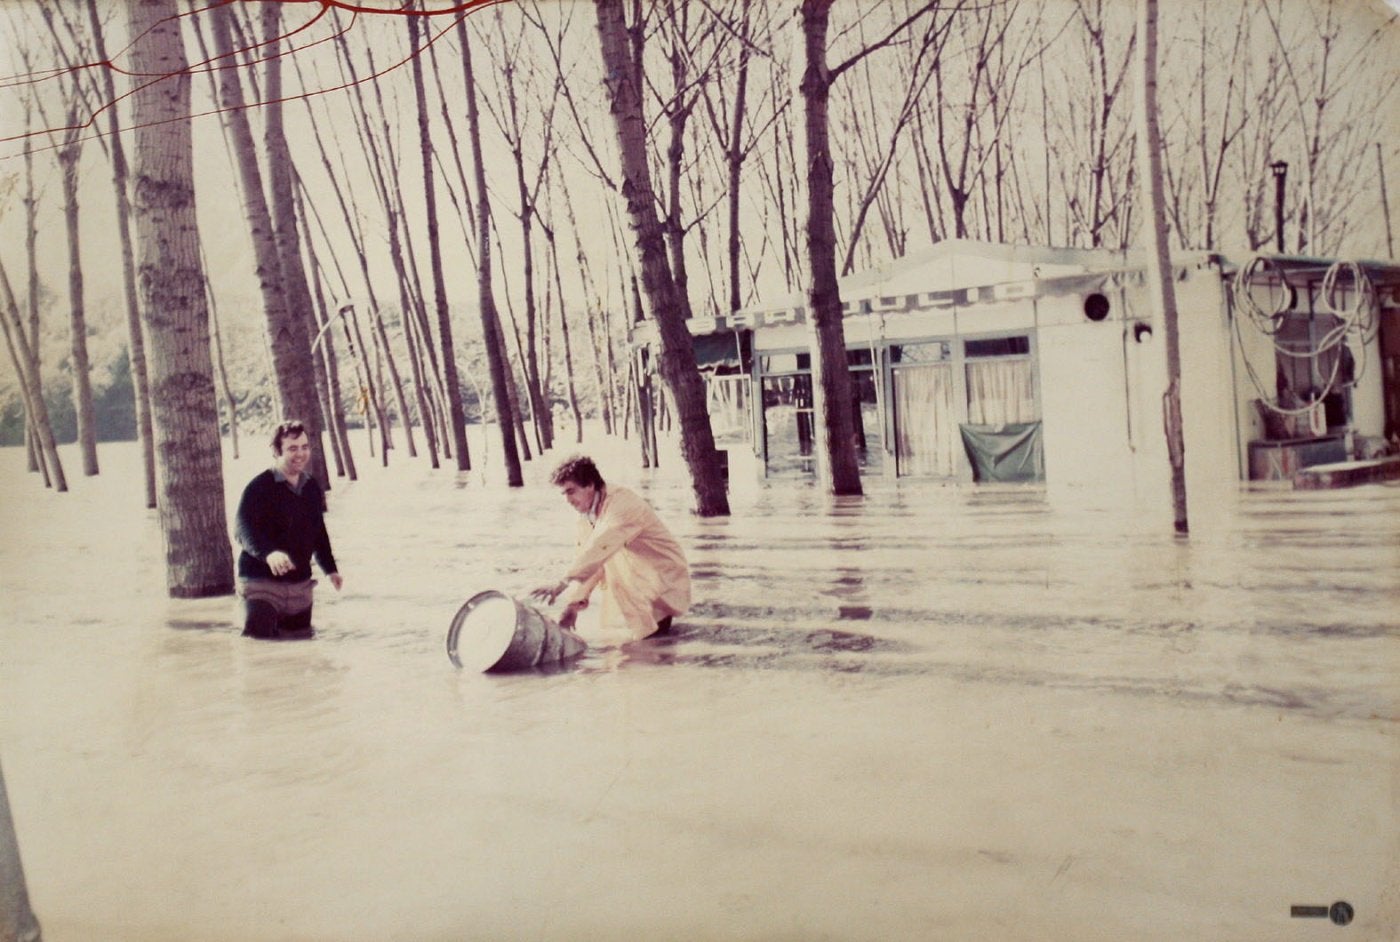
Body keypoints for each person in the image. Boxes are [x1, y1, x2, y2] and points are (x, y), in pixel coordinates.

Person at [531, 455, 690, 640]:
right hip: (633, 578)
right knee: (634, 645)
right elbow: (592, 560)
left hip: (659, 576)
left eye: (571, 491)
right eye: (564, 494)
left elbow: (599, 549)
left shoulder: (622, 506)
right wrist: (572, 606)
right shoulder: (587, 515)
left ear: (590, 485)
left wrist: (562, 583)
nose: (568, 500)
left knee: (654, 645)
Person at [234, 420, 343, 640]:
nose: (300, 454)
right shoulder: (259, 487)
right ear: (276, 451)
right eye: (292, 448)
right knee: (259, 648)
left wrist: (330, 569)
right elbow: (242, 529)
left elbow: (318, 532)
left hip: (300, 589)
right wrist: (269, 553)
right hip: (261, 586)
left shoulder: (311, 487)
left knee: (300, 652)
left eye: (304, 447)